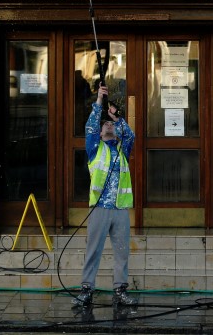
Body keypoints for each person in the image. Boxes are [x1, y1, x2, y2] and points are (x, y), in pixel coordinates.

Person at [72, 84, 137, 308]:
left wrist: (117, 117)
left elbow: (131, 135)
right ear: (100, 133)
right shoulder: (94, 148)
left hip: (119, 209)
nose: (107, 125)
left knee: (122, 252)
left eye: (110, 124)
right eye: (105, 125)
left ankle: (120, 291)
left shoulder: (122, 149)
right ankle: (86, 290)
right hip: (100, 208)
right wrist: (99, 102)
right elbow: (90, 126)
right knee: (93, 250)